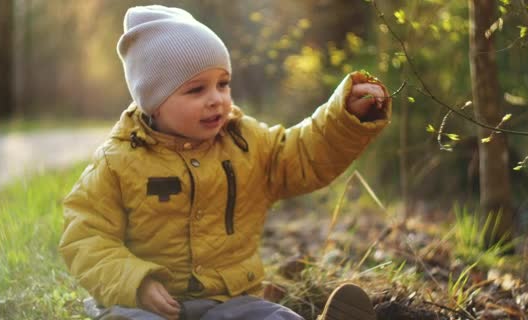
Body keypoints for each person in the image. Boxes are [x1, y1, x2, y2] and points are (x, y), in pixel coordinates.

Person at [59, 5, 391, 320]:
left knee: (270, 316)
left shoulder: (246, 143)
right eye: (196, 90)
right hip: (147, 306)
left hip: (228, 301)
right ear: (154, 102)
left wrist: (344, 117)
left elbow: (302, 155)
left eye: (223, 84)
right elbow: (85, 237)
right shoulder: (118, 161)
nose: (216, 99)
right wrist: (135, 283)